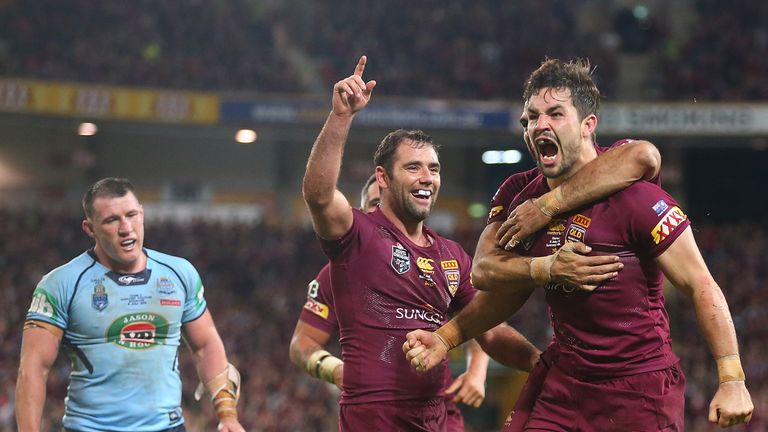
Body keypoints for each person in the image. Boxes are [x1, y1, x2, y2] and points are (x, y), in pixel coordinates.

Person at [404, 58, 754, 430]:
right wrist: (447, 337)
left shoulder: (634, 197)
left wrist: (732, 378)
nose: (540, 125)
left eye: (555, 114)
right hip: (565, 383)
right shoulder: (517, 194)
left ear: (588, 126)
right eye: (531, 118)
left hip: (639, 387)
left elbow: (700, 283)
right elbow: (493, 278)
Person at [302, 55, 540, 431]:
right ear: (382, 177)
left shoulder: (452, 255)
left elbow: (489, 328)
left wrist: (540, 364)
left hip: (439, 418)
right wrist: (341, 117)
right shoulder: (357, 235)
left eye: (434, 168)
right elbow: (318, 195)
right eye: (413, 167)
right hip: (377, 418)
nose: (426, 177)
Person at [15, 177, 244, 432]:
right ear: (90, 229)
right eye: (112, 220)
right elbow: (33, 369)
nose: (126, 228)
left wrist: (228, 416)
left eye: (131, 215)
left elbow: (205, 345)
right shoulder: (61, 284)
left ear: (142, 215)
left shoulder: (180, 273)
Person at [290, 174, 490, 431]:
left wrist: (477, 369)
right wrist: (334, 369)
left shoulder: (440, 260)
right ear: (362, 215)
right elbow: (302, 343)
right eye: (375, 204)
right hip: (376, 415)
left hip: (439, 412)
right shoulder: (335, 275)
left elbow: (480, 316)